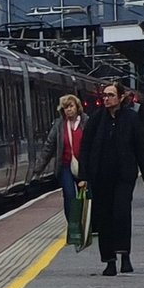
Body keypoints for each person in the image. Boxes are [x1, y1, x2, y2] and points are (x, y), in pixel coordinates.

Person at [77, 82, 144, 276]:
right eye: (105, 96)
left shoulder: (132, 119)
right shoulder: (95, 120)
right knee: (104, 218)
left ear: (120, 98)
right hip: (100, 177)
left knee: (121, 213)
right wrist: (83, 176)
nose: (106, 99)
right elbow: (85, 149)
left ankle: (125, 255)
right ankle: (109, 260)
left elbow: (141, 149)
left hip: (124, 176)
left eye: (110, 95)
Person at [34, 94, 88, 227]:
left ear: (77, 107)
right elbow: (49, 146)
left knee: (88, 195)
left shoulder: (86, 122)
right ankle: (73, 225)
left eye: (71, 106)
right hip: (65, 166)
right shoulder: (59, 125)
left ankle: (88, 222)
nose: (68, 110)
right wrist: (38, 169)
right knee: (69, 194)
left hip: (84, 167)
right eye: (65, 107)